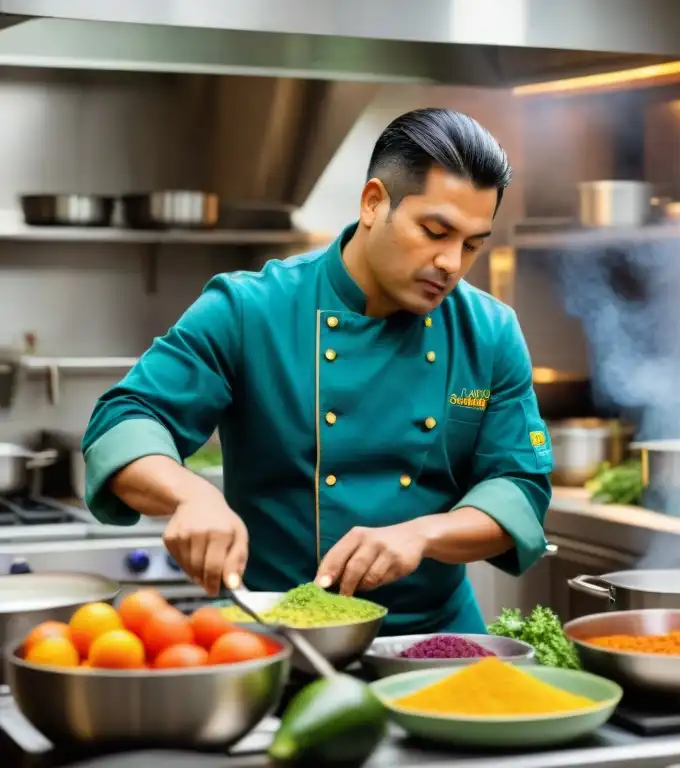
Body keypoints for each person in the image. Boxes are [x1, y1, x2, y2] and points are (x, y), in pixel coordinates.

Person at [82, 108, 552, 635]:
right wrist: (189, 494)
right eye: (435, 231)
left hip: (433, 640)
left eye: (471, 244)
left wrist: (423, 534)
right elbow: (125, 419)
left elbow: (518, 485)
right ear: (374, 203)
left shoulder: (489, 331)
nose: (450, 263)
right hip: (278, 634)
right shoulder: (250, 308)